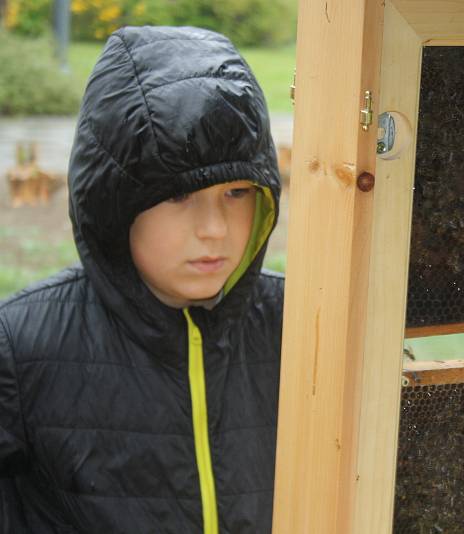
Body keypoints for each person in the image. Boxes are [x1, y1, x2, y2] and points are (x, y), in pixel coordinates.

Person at [0, 26, 283, 533]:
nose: (214, 229)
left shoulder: (302, 323)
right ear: (113, 203)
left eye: (237, 193)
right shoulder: (19, 350)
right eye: (179, 196)